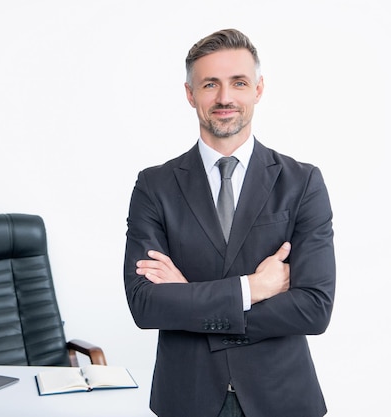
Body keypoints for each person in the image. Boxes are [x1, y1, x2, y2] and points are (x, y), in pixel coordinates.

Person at [123, 28, 335, 417]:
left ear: (257, 89)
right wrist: (252, 288)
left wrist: (190, 299)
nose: (224, 98)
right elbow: (145, 304)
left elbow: (314, 308)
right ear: (190, 94)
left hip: (282, 396)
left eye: (238, 83)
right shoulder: (154, 186)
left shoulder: (302, 182)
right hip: (187, 397)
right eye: (210, 84)